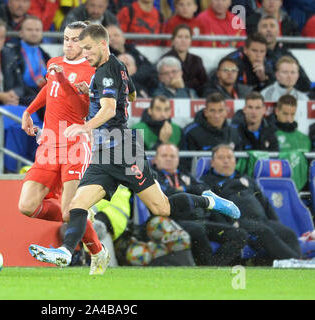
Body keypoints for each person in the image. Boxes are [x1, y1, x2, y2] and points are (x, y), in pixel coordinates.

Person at [28, 24, 240, 273]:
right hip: (104, 153)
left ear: (102, 44)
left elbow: (108, 110)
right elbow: (131, 97)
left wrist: (85, 127)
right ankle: (65, 252)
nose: (84, 53)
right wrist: (93, 93)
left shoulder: (106, 72)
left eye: (87, 48)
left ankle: (208, 201)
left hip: (123, 150)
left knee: (161, 208)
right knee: (77, 205)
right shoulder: (115, 66)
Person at [18, 21, 104, 275]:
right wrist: (29, 111)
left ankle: (98, 253)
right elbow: (49, 89)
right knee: (27, 205)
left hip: (75, 143)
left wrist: (63, 79)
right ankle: (83, 214)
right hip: (48, 144)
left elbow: (82, 111)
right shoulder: (55, 62)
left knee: (69, 214)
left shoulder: (93, 72)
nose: (69, 43)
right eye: (66, 38)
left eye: (75, 39)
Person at [200, 144, 302, 264]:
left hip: (262, 220)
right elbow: (212, 206)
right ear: (212, 162)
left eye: (229, 157)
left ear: (235, 161)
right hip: (240, 222)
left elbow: (264, 202)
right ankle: (295, 263)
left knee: (288, 233)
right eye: (221, 158)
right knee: (265, 232)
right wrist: (230, 224)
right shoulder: (208, 182)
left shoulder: (246, 178)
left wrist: (275, 222)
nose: (226, 161)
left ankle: (292, 261)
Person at [152, 143, 248, 266]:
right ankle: (207, 265)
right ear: (155, 159)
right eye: (164, 155)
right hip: (173, 221)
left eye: (173, 156)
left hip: (200, 220)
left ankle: (214, 266)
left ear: (178, 159)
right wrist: (185, 190)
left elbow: (203, 188)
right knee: (197, 230)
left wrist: (184, 188)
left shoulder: (184, 175)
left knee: (239, 234)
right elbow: (165, 195)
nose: (169, 158)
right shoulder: (154, 176)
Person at [257, 15, 311, 92]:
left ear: (278, 32)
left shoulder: (287, 54)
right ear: (258, 32)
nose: (268, 29)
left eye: (272, 26)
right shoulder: (252, 53)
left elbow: (305, 84)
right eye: (265, 26)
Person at [106, 24, 158, 97]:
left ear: (123, 38)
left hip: (143, 86)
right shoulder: (106, 56)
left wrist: (132, 77)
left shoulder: (133, 51)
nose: (112, 38)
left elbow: (149, 68)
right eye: (109, 37)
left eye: (116, 35)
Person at [160, 24, 208, 96]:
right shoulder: (165, 59)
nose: (183, 40)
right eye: (179, 37)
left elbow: (204, 83)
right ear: (173, 41)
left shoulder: (197, 60)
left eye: (187, 37)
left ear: (191, 41)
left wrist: (184, 84)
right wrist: (193, 83)